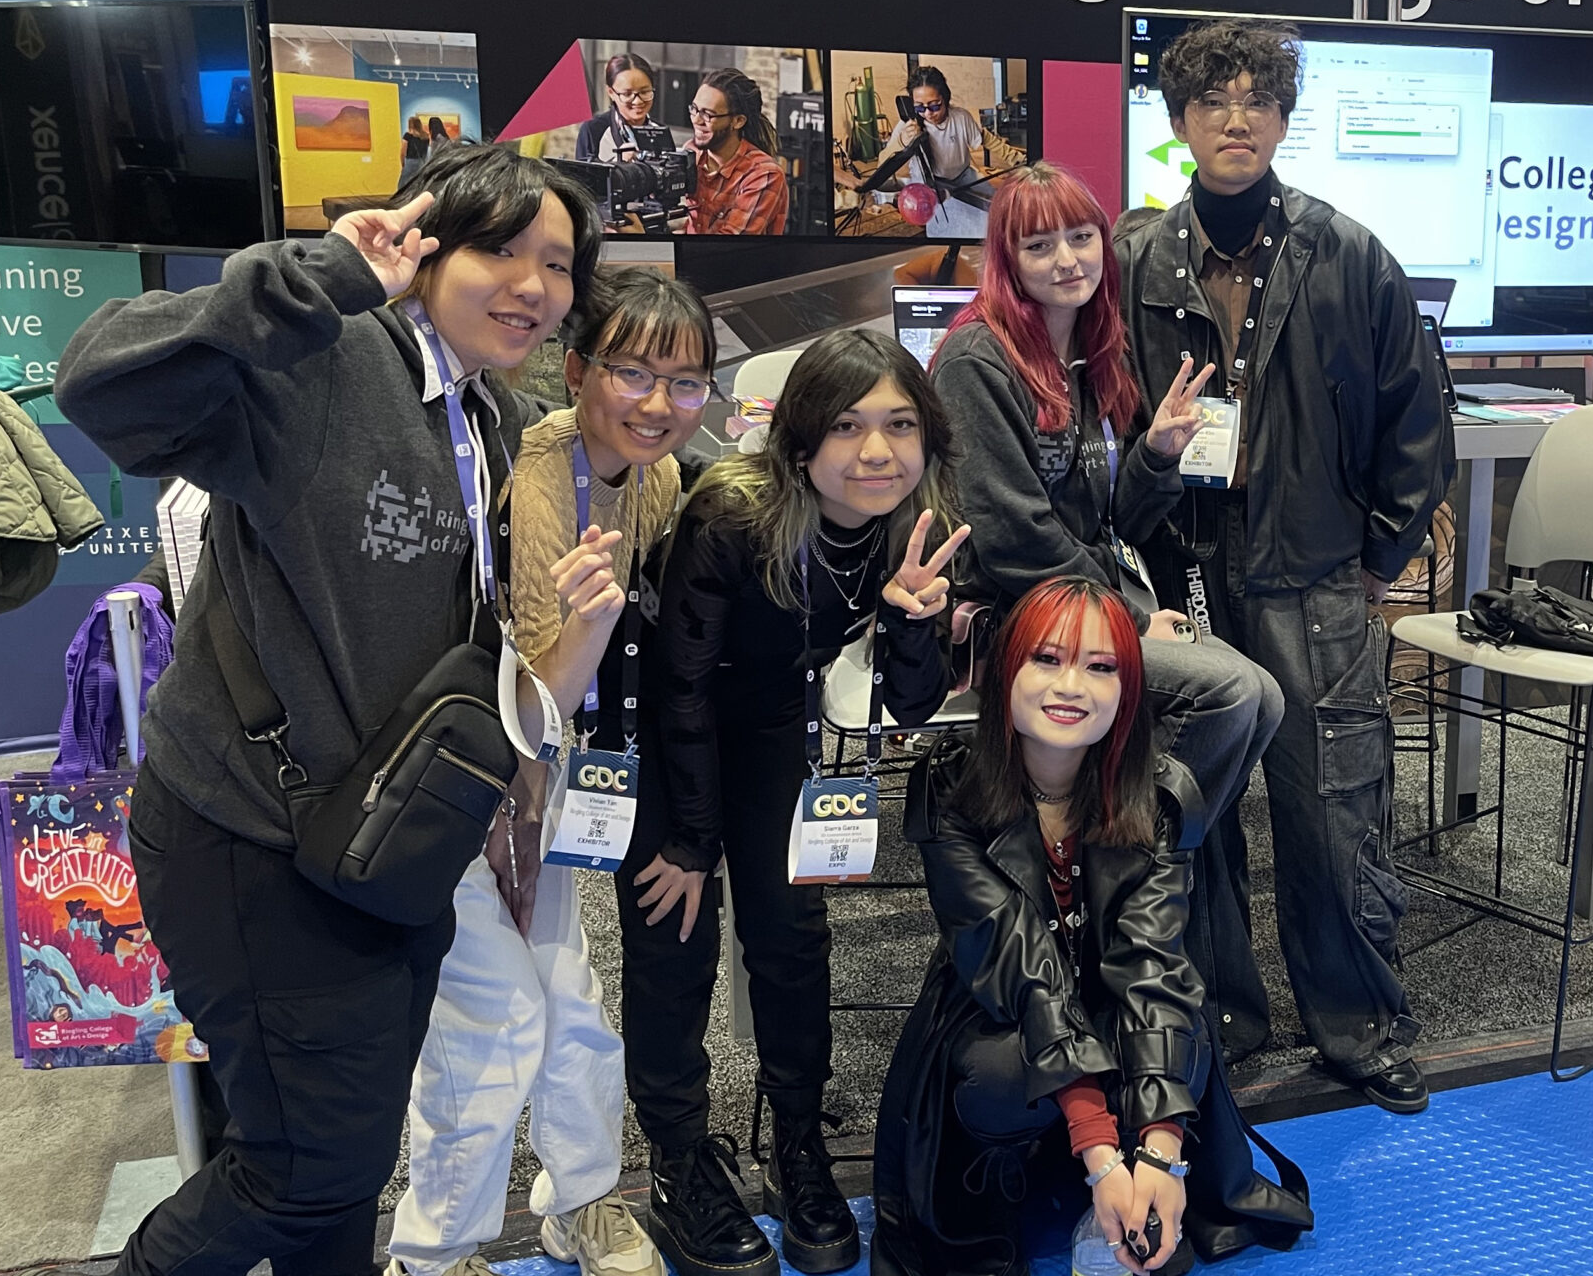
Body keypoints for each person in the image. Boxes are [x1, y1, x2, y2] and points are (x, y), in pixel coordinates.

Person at [55, 142, 602, 1275]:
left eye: (556, 263)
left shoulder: (486, 416)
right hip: (251, 836)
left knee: (340, 1166)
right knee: (300, 1170)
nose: (534, 285)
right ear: (425, 248)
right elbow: (102, 379)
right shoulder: (327, 359)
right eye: (501, 249)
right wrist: (315, 279)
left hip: (381, 847)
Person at [1112, 19, 1453, 1115]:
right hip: (1182, 575)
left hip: (1311, 575)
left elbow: (1418, 421)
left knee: (1333, 807)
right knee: (1188, 813)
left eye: (1258, 101)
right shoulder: (1135, 265)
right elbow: (1104, 425)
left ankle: (1359, 1026)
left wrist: (1372, 562)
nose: (1237, 119)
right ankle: (1221, 1019)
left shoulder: (1348, 254)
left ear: (1284, 121)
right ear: (1178, 125)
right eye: (1213, 102)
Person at [384, 268, 717, 1276]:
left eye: (687, 381)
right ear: (577, 370)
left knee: (570, 996)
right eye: (632, 373)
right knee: (495, 1011)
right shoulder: (538, 461)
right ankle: (432, 1252)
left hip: (558, 786)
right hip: (464, 781)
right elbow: (535, 672)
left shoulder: (655, 475)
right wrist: (580, 647)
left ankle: (582, 1203)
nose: (659, 404)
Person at [634, 329, 970, 1276]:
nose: (876, 451)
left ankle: (797, 1146)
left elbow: (907, 704)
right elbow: (683, 684)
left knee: (791, 939)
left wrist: (917, 616)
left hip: (775, 723)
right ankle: (678, 1161)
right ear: (800, 441)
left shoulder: (914, 521)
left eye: (900, 425)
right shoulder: (732, 512)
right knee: (676, 943)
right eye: (849, 425)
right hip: (669, 732)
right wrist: (694, 838)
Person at [927, 162, 1281, 1059]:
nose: (1066, 259)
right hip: (1017, 619)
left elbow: (1111, 519)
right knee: (1239, 696)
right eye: (1037, 243)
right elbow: (1011, 540)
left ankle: (1124, 846)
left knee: (1265, 702)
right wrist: (1123, 615)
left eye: (1080, 237)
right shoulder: (979, 357)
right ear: (1005, 258)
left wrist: (1157, 455)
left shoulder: (1089, 349)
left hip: (1081, 606)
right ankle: (1141, 848)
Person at [870, 577, 1311, 1276]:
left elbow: (1152, 963)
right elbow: (1021, 970)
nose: (1071, 685)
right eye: (1046, 659)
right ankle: (1035, 1176)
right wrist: (1104, 1157)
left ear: (1129, 688)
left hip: (1110, 1012)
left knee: (1179, 1025)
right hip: (1001, 1011)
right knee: (1002, 1070)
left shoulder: (1161, 793)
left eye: (1101, 666)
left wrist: (1162, 1155)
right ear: (1004, 671)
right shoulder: (949, 787)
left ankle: (1122, 1184)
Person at [836, 66, 1017, 230]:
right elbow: (883, 161)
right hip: (928, 185)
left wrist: (1015, 158)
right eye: (920, 108)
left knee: (997, 209)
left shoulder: (961, 117)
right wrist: (902, 142)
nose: (928, 113)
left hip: (963, 176)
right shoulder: (909, 125)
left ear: (945, 98)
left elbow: (987, 139)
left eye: (935, 105)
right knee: (945, 226)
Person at [684, 66, 788, 236]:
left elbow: (729, 242)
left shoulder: (764, 175)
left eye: (708, 114)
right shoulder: (692, 152)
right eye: (694, 109)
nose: (696, 120)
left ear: (738, 121)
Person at [575, 52, 669, 163]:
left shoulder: (660, 131)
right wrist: (618, 163)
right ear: (611, 92)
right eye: (627, 94)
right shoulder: (593, 130)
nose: (638, 101)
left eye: (644, 92)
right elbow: (580, 178)